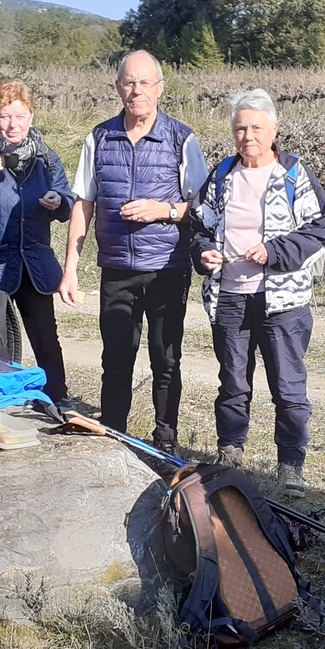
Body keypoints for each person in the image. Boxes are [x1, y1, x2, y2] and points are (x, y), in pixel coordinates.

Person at [58, 50, 209, 452]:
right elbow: (83, 203)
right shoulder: (99, 137)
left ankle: (165, 442)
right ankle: (113, 437)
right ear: (117, 87)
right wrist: (70, 268)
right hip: (117, 269)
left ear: (160, 88)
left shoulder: (181, 138)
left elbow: (206, 206)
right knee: (116, 361)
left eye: (144, 82)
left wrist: (164, 210)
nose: (136, 90)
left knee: (166, 359)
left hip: (166, 268)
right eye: (128, 82)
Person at [190, 89, 325, 498]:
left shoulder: (293, 176)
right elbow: (199, 227)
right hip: (230, 296)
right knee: (233, 382)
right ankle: (231, 451)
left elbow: (319, 229)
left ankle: (291, 464)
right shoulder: (221, 176)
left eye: (256, 127)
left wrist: (274, 252)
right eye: (240, 127)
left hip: (283, 302)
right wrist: (204, 254)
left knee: (288, 386)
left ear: (274, 129)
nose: (247, 135)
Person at [0, 79, 74, 402]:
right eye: (5, 116)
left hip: (33, 265)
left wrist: (59, 201)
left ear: (31, 117)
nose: (12, 125)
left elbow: (68, 203)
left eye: (20, 116)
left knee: (46, 339)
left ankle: (58, 399)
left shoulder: (45, 157)